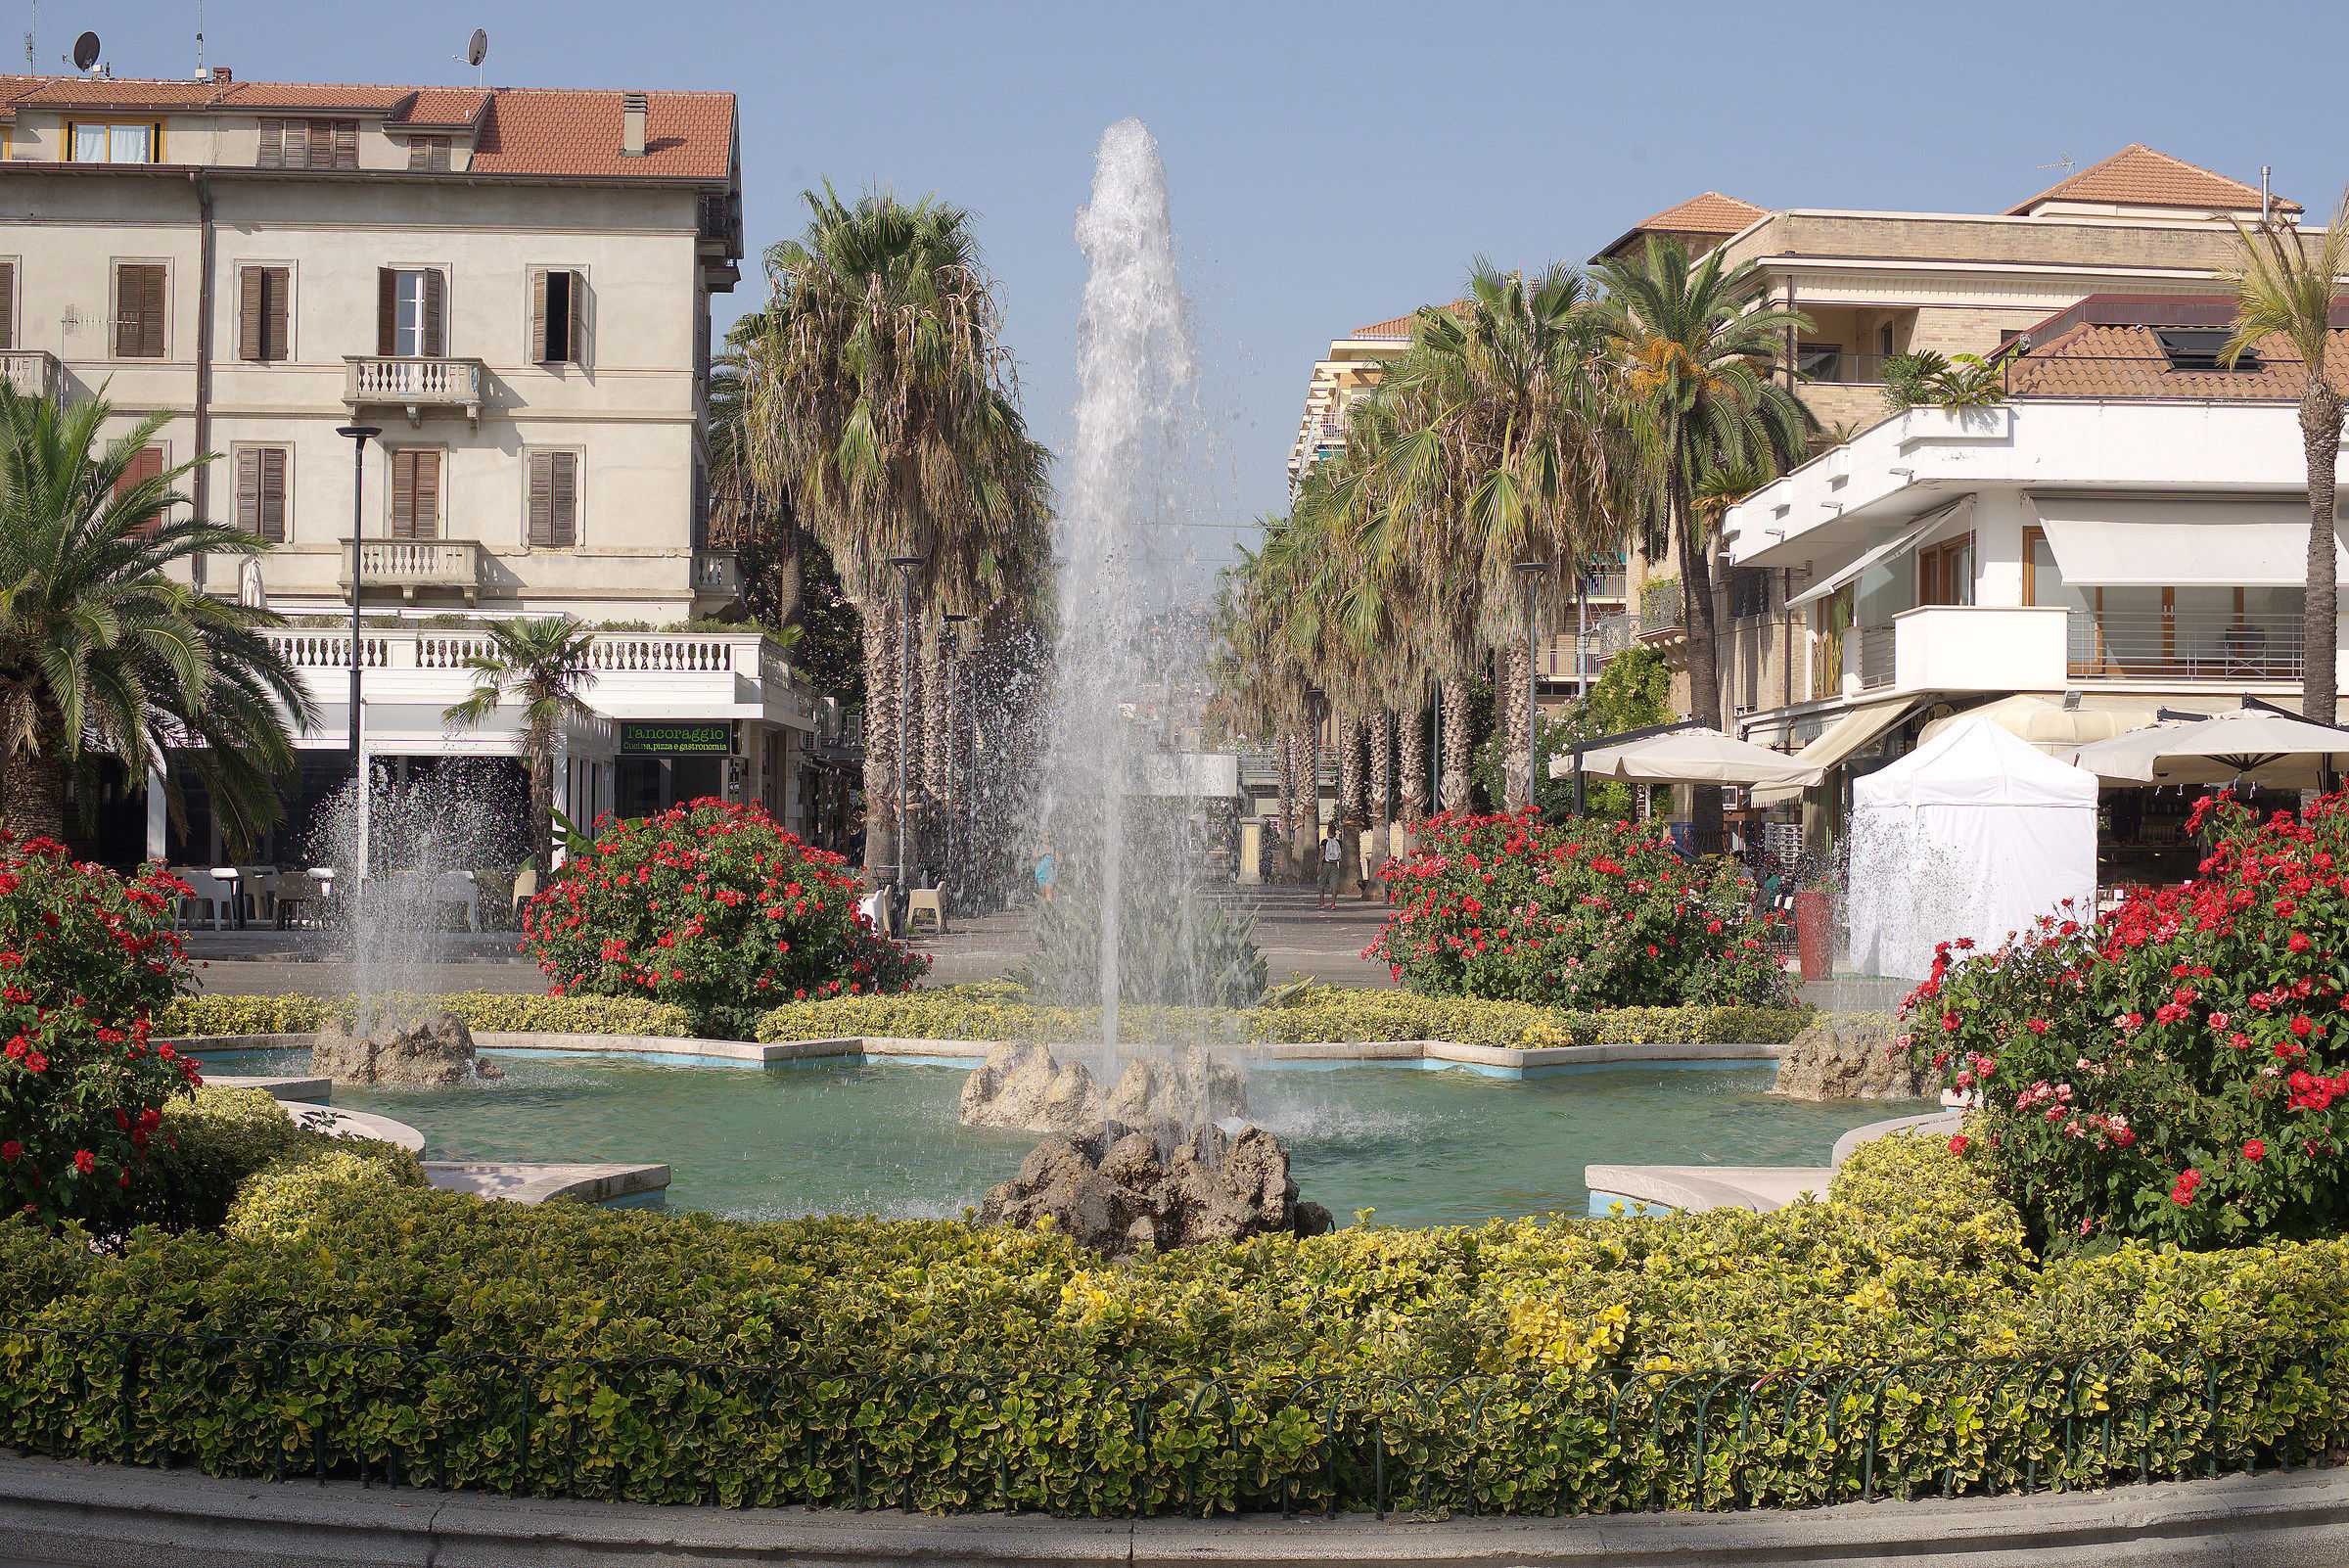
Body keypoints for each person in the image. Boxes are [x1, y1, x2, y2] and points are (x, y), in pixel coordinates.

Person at [1315, 823, 1343, 910]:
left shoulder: (1324, 841)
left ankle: (1322, 903)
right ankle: (1333, 904)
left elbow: (1321, 854)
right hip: (1335, 865)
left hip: (1326, 865)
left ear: (1328, 832)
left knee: (1321, 883)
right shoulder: (1338, 842)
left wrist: (1319, 866)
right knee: (1334, 885)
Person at [1033, 834, 1056, 905]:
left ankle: (1050, 910)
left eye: (1049, 836)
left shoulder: (1053, 846)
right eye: (1045, 836)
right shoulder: (1038, 846)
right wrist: (1045, 852)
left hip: (1051, 871)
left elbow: (1058, 858)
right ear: (1042, 837)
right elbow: (1035, 855)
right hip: (1040, 871)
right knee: (1043, 893)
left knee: (1049, 891)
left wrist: (1056, 867)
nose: (1047, 838)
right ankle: (1045, 910)